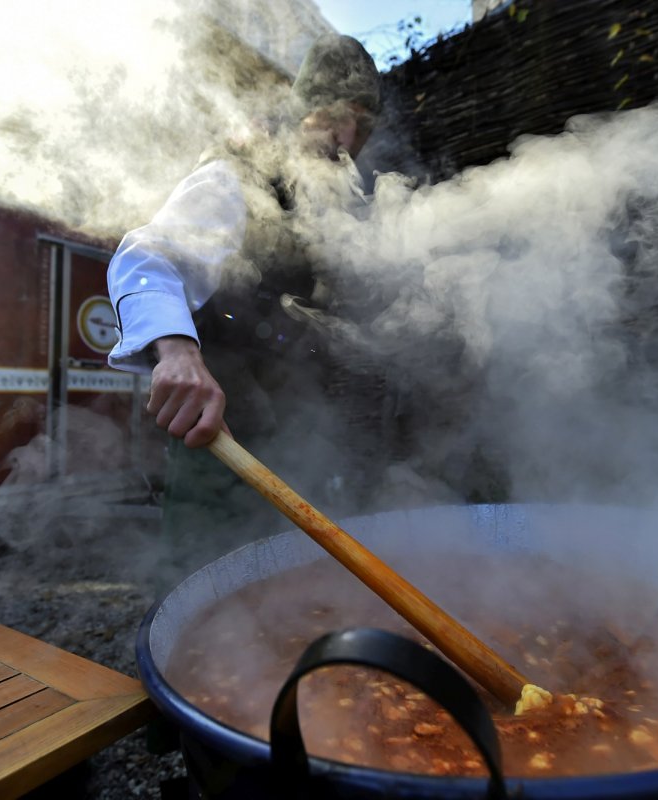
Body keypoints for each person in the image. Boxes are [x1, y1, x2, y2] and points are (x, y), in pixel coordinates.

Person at [106, 34, 385, 560]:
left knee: (295, 597)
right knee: (205, 599)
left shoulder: (332, 209)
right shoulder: (238, 176)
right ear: (303, 112)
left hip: (302, 447)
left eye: (361, 124)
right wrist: (178, 350)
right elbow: (146, 258)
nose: (345, 135)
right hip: (224, 446)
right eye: (333, 114)